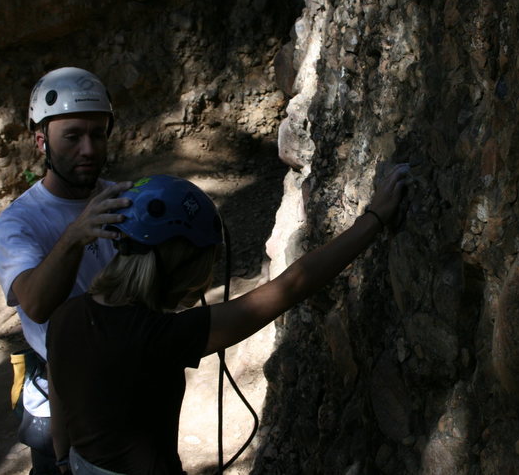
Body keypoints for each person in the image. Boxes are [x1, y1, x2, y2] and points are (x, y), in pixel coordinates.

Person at [46, 166, 410, 475]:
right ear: (177, 264)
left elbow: (59, 401)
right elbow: (292, 286)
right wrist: (374, 220)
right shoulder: (157, 337)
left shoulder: (66, 314)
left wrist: (62, 461)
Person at [0, 67, 133, 474]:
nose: (88, 148)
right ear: (42, 141)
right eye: (72, 136)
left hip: (125, 383)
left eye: (98, 134)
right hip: (61, 404)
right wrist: (75, 235)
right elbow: (35, 304)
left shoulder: (120, 200)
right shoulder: (19, 223)